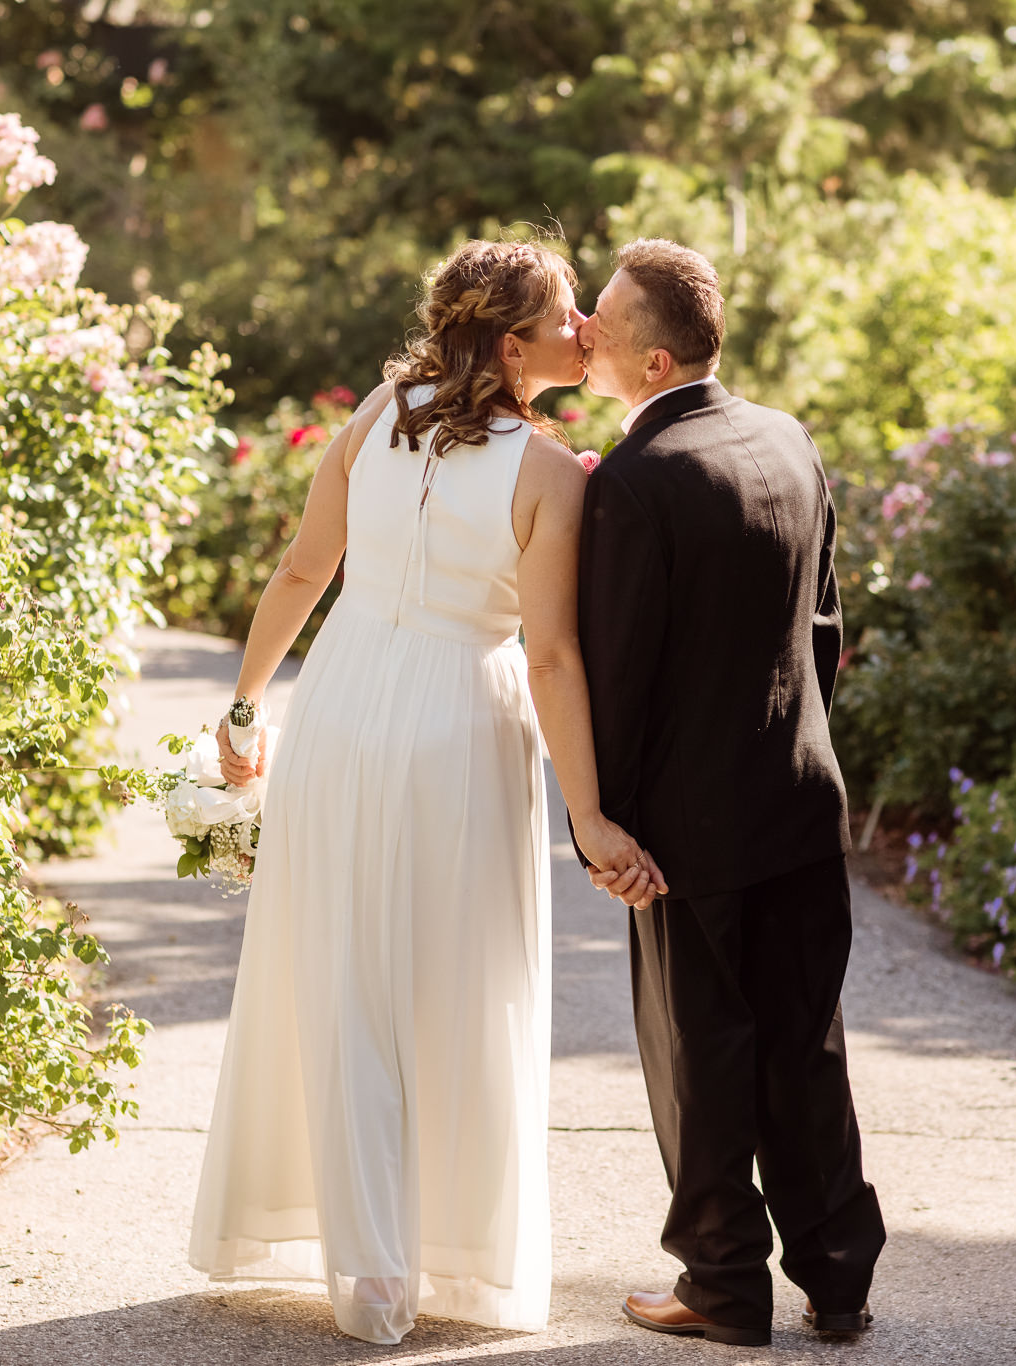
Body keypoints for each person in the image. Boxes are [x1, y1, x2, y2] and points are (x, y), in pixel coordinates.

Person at [187, 238, 662, 1345]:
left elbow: (304, 569)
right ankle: (431, 1256)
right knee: (453, 983)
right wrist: (587, 814)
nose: (586, 331)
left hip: (343, 704)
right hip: (460, 720)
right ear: (512, 345)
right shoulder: (547, 474)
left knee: (345, 974)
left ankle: (370, 1268)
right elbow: (550, 657)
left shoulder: (377, 413)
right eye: (566, 317)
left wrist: (245, 710)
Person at [573, 238, 887, 1348]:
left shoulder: (636, 482)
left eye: (600, 316)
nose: (580, 324)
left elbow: (615, 670)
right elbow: (827, 626)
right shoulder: (786, 439)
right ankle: (839, 1279)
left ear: (652, 357)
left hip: (686, 826)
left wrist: (600, 826)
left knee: (700, 1050)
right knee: (805, 1041)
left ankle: (720, 1284)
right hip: (800, 796)